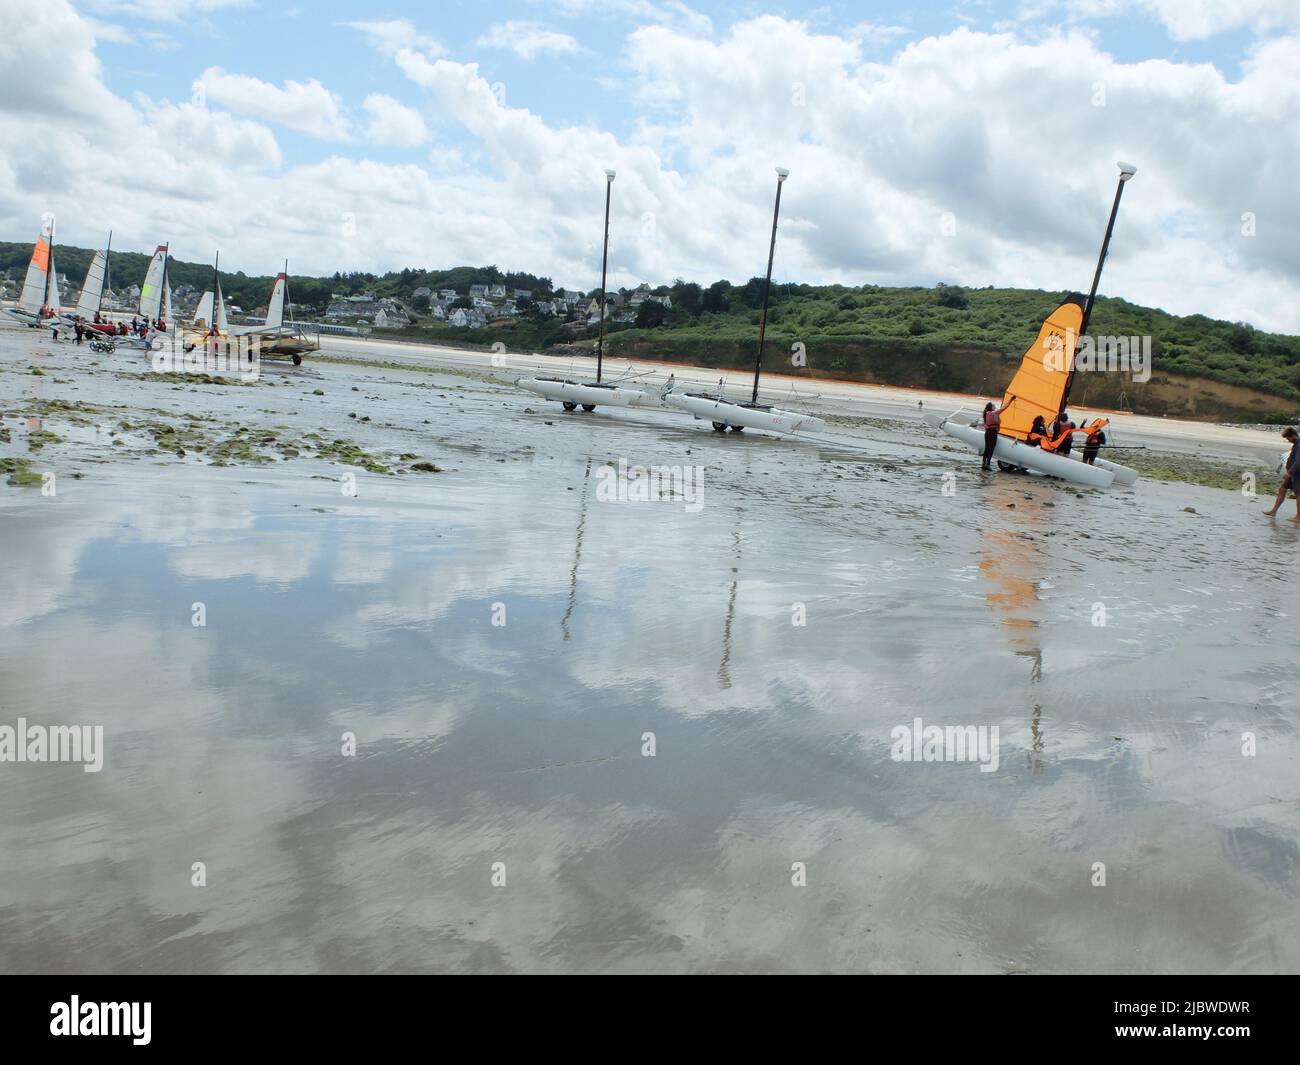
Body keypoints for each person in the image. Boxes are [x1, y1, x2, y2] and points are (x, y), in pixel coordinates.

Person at [1264, 426, 1300, 520]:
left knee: (1298, 494)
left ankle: (1298, 516)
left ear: (1293, 436)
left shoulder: (1299, 445)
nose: (1288, 440)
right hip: (1293, 473)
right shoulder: (1296, 444)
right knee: (1282, 489)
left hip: (1297, 474)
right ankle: (1273, 511)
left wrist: (1290, 473)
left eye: (1288, 438)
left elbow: (1298, 462)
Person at [980, 395, 1016, 470]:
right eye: (993, 406)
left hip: (987, 433)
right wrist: (1011, 400)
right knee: (991, 449)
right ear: (991, 407)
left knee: (987, 448)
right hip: (993, 433)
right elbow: (1005, 407)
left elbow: (985, 424)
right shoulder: (995, 413)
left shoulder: (986, 414)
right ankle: (988, 464)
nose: (995, 407)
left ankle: (983, 464)